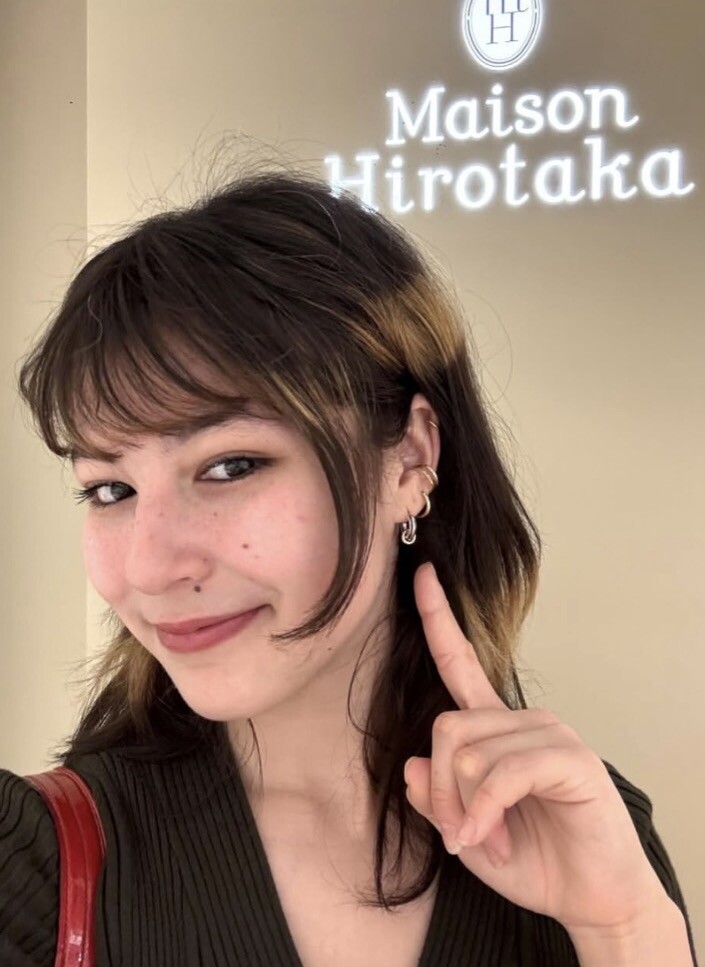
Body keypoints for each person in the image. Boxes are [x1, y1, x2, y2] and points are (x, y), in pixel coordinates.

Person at [1, 169, 697, 967]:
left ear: (410, 456)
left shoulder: (585, 829)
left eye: (230, 466)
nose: (151, 565)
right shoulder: (31, 866)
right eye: (110, 489)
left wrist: (621, 930)